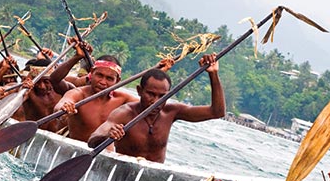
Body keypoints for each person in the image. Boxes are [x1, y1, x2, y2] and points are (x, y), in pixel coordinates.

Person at [87, 54, 225, 163]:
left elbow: (217, 112)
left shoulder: (172, 112)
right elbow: (92, 140)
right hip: (122, 175)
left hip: (151, 179)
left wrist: (213, 74)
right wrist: (108, 134)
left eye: (162, 96)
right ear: (140, 91)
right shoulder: (125, 113)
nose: (156, 102)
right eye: (151, 94)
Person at [53, 56, 136, 142]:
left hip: (104, 153)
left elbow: (145, 107)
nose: (103, 82)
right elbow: (61, 105)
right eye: (100, 75)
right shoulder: (79, 94)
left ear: (117, 81)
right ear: (91, 73)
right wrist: (64, 109)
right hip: (75, 149)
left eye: (109, 78)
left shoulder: (123, 99)